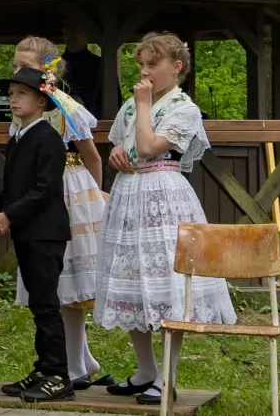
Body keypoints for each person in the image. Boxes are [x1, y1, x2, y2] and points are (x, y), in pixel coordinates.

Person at [95, 32, 236, 406]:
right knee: (132, 280)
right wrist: (116, 154)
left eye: (152, 64)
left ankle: (166, 376)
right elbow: (122, 143)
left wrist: (143, 104)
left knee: (167, 285)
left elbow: (147, 147)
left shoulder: (183, 108)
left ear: (175, 67)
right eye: (141, 64)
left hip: (163, 196)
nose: (144, 72)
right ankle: (145, 370)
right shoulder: (132, 105)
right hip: (129, 195)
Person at [11, 37, 111, 390]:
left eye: (26, 66)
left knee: (70, 283)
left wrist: (95, 194)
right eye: (15, 66)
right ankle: (79, 360)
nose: (18, 72)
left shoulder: (66, 107)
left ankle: (75, 365)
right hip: (40, 193)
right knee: (56, 285)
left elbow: (91, 156)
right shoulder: (22, 110)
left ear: (48, 69)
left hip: (71, 191)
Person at [0, 67, 72, 403]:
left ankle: (58, 375)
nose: (13, 99)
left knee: (46, 304)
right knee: (39, 303)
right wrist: (0, 213)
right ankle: (43, 368)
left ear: (41, 101)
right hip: (28, 231)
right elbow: (13, 187)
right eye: (11, 94)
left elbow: (45, 189)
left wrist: (9, 214)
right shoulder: (18, 137)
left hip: (45, 232)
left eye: (22, 93)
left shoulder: (48, 138)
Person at [61, 24, 102, 116]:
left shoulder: (100, 64)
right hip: (62, 118)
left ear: (86, 34)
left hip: (94, 119)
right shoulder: (57, 65)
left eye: (76, 30)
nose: (71, 35)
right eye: (66, 32)